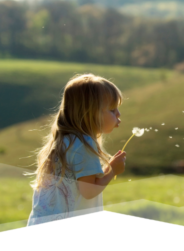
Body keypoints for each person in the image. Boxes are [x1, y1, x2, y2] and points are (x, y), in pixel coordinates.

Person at [26, 74, 126, 226]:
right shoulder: (84, 146)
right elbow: (88, 191)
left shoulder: (63, 141)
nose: (118, 114)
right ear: (90, 113)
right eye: (112, 110)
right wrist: (112, 170)